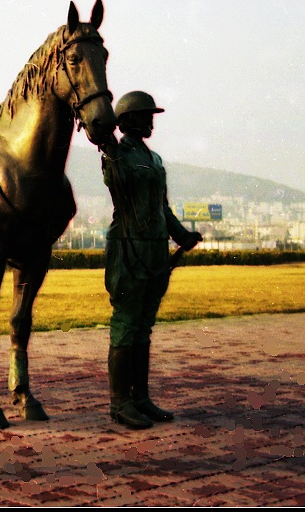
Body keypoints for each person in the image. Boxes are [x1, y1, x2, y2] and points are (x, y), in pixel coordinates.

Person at [100, 91, 203, 429]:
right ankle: (120, 402)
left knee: (144, 326)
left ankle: (140, 397)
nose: (150, 121)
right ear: (126, 121)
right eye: (144, 116)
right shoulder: (117, 155)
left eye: (152, 115)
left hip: (156, 251)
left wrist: (182, 235)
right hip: (129, 250)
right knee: (126, 325)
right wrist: (109, 151)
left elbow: (163, 208)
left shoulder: (156, 160)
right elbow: (118, 188)